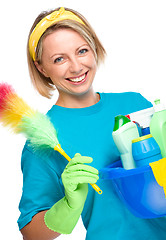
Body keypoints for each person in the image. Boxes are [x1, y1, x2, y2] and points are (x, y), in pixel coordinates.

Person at [17, 6, 166, 240]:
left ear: (94, 47)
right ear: (41, 67)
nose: (76, 67)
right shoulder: (44, 138)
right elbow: (30, 232)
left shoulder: (135, 104)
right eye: (59, 59)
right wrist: (67, 206)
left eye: (82, 51)